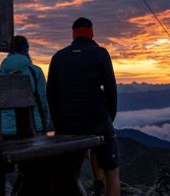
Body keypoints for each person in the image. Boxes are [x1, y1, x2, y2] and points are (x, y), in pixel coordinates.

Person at [47, 17, 120, 196]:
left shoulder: (58, 57)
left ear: (73, 34)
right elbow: (111, 90)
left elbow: (51, 95)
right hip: (96, 118)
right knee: (113, 171)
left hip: (67, 123)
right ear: (91, 32)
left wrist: (60, 124)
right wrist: (108, 117)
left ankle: (94, 185)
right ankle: (101, 186)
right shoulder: (100, 54)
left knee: (70, 171)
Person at [0, 35, 51, 136]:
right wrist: (45, 122)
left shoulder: (0, 72)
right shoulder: (35, 71)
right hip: (32, 126)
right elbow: (43, 100)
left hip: (4, 128)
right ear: (26, 49)